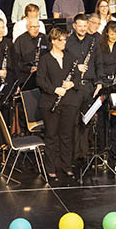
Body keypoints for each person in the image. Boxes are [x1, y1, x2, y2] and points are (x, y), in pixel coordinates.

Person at [37, 27, 80, 183]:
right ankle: (51, 168)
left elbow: (77, 77)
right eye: (60, 40)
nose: (64, 42)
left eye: (65, 39)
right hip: (50, 103)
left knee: (67, 136)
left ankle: (66, 166)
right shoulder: (45, 59)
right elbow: (40, 80)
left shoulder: (71, 57)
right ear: (53, 41)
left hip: (69, 102)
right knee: (51, 136)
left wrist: (71, 84)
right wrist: (55, 89)